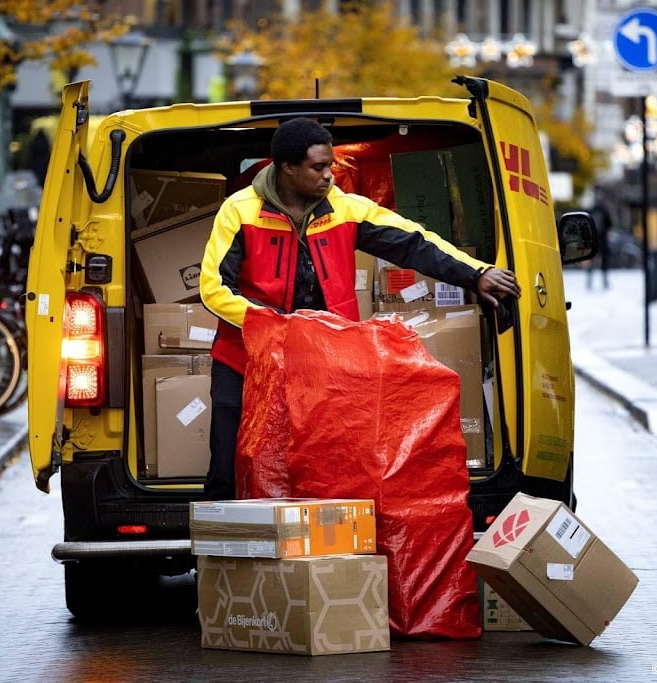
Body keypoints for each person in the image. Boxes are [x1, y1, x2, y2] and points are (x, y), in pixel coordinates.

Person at [198, 116, 521, 501]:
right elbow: (214, 287)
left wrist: (477, 273)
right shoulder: (240, 210)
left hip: (327, 363)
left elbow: (415, 242)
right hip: (246, 361)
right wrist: (276, 328)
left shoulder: (346, 208)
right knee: (227, 468)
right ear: (286, 167)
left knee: (324, 468)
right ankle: (219, 556)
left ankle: (324, 556)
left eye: (330, 165)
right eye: (318, 167)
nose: (329, 175)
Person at [586, 194, 613, 290]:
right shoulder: (604, 211)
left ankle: (589, 282)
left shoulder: (592, 210)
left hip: (593, 240)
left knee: (591, 260)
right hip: (603, 240)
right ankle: (605, 282)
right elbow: (610, 225)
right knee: (604, 262)